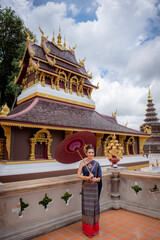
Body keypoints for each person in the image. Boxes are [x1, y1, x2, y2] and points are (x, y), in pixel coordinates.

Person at [77, 145, 102, 238]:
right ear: (86, 153)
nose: (91, 154)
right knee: (87, 208)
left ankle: (94, 229)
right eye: (89, 152)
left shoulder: (97, 163)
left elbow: (100, 177)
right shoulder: (82, 163)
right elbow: (78, 175)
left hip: (94, 188)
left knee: (94, 207)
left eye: (92, 152)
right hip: (86, 187)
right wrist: (87, 177)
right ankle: (87, 229)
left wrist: (96, 179)